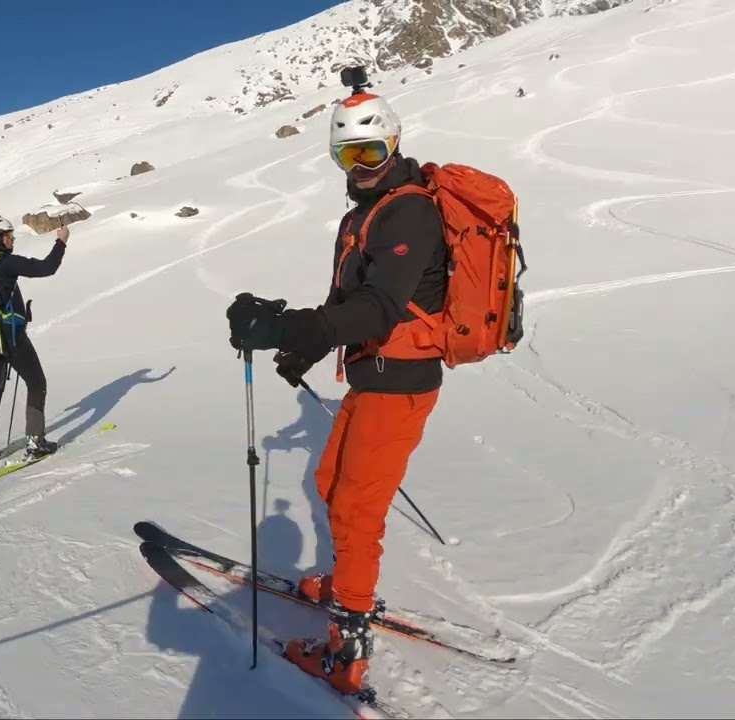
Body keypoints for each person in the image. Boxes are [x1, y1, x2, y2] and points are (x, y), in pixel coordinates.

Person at [225, 88, 448, 695]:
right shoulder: (365, 213)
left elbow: (379, 308)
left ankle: (346, 644)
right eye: (348, 156)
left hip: (400, 383)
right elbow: (350, 300)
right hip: (371, 375)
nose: (363, 165)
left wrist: (292, 327)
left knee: (355, 507)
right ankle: (344, 578)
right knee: (329, 483)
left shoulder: (409, 211)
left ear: (395, 142)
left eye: (372, 150)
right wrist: (310, 342)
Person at [0, 214, 69, 465]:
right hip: (10, 336)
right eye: (8, 236)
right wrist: (61, 242)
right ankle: (35, 443)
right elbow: (47, 268)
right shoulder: (5, 263)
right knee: (36, 383)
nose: (12, 240)